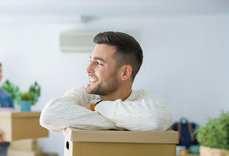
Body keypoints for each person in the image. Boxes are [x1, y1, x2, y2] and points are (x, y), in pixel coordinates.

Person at [40, 31, 173, 132]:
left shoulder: (143, 100)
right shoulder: (84, 94)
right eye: (90, 60)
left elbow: (158, 118)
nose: (88, 69)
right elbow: (50, 114)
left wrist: (96, 107)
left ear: (125, 73)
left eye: (98, 63)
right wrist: (127, 125)